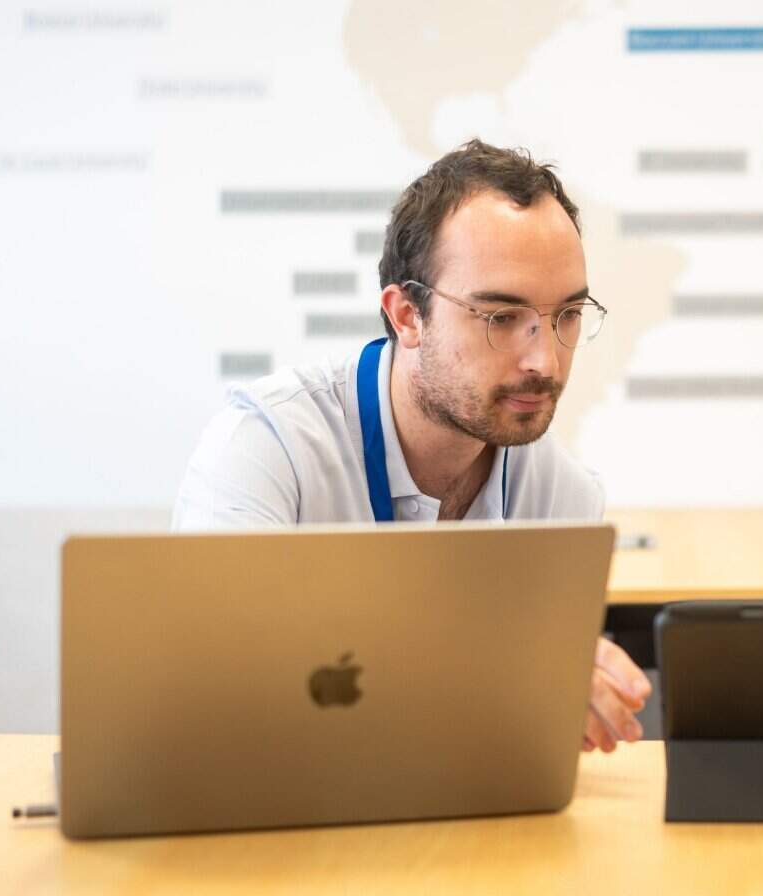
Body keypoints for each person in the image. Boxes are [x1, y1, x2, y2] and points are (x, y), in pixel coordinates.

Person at [173, 139, 650, 754]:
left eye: (567, 314)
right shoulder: (267, 448)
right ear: (406, 316)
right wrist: (501, 668)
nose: (544, 359)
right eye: (501, 318)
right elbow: (209, 684)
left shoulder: (563, 494)